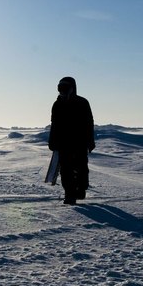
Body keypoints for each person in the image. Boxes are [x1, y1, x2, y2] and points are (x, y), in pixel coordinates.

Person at [48, 76, 95, 205]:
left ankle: (81, 188)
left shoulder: (82, 102)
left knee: (81, 167)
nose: (62, 91)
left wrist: (90, 141)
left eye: (65, 87)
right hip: (63, 143)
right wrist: (52, 141)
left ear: (72, 88)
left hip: (80, 142)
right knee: (65, 169)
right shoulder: (57, 104)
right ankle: (69, 194)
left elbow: (89, 123)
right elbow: (54, 124)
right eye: (60, 88)